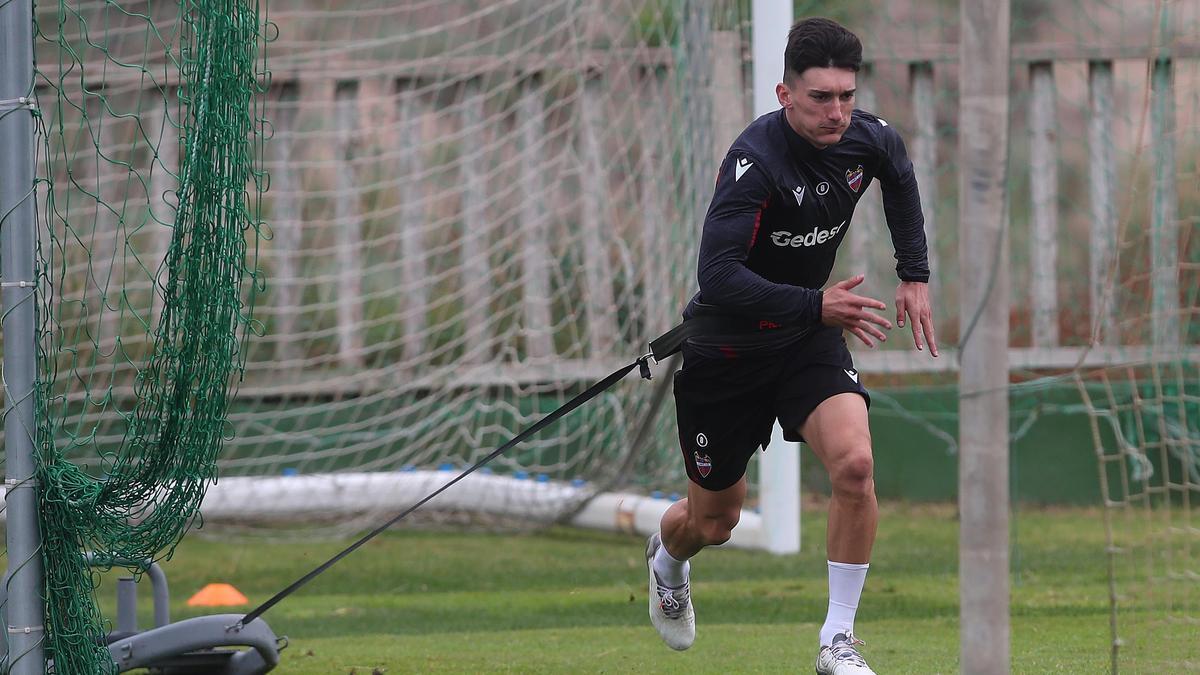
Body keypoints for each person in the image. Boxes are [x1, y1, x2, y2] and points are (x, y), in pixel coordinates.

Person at [644, 16, 938, 675]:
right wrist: (817, 302)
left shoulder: (866, 139)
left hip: (807, 339)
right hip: (726, 352)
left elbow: (899, 170)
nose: (837, 112)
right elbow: (717, 276)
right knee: (714, 521)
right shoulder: (756, 164)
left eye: (846, 96)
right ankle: (666, 558)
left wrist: (914, 274)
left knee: (855, 466)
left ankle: (837, 640)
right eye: (820, 98)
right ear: (784, 95)